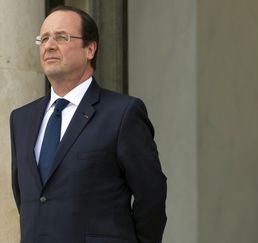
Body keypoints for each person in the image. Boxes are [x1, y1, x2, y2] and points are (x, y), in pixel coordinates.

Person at [10, 5, 167, 243]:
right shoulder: (21, 119)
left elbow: (151, 195)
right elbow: (28, 199)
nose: (49, 45)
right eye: (43, 39)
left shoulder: (122, 113)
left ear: (90, 49)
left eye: (61, 37)